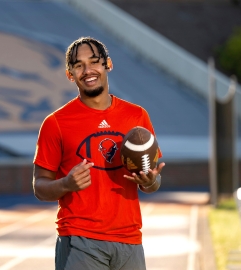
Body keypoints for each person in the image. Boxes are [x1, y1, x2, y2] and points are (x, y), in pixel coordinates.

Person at [32, 36, 166, 270]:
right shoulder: (56, 123)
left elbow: (152, 183)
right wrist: (65, 184)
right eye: (78, 65)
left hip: (130, 241)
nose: (87, 70)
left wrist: (151, 181)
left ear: (108, 64)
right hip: (80, 240)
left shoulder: (137, 117)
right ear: (70, 75)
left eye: (94, 62)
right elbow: (40, 187)